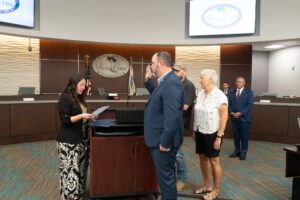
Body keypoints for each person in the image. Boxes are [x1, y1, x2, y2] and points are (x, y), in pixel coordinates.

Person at [144, 51, 185, 200]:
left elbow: (172, 116)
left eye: (153, 63)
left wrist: (165, 142)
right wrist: (148, 82)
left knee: (166, 182)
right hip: (160, 139)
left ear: (160, 63)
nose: (151, 66)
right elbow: (159, 97)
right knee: (165, 180)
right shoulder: (165, 82)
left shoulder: (171, 83)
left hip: (164, 142)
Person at [57, 74, 95, 200]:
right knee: (70, 171)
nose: (84, 88)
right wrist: (82, 116)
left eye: (84, 85)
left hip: (80, 139)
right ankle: (69, 197)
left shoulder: (79, 99)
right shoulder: (65, 98)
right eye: (81, 85)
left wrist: (90, 116)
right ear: (73, 85)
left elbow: (81, 117)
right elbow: (65, 119)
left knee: (80, 169)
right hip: (68, 141)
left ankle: (78, 194)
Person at [193, 69, 228, 200]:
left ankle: (216, 189)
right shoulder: (201, 93)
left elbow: (224, 118)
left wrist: (219, 137)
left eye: (202, 78)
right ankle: (207, 185)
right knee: (202, 158)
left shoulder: (220, 96)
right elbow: (197, 112)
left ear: (210, 80)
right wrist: (194, 130)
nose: (200, 80)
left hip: (213, 132)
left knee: (214, 161)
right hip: (200, 130)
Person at [172, 63, 196, 191]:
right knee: (172, 152)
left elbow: (185, 107)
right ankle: (176, 177)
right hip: (171, 122)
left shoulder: (189, 86)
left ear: (184, 71)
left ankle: (183, 179)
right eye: (174, 71)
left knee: (178, 154)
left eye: (177, 71)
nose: (175, 73)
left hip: (179, 123)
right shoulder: (174, 84)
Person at [228, 76, 254, 160]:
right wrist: (231, 112)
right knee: (236, 136)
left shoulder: (249, 92)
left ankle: (243, 152)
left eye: (240, 81)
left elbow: (250, 105)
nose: (238, 83)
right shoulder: (231, 92)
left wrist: (240, 113)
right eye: (237, 81)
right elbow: (228, 104)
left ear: (244, 83)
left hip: (244, 119)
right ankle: (237, 151)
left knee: (244, 136)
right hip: (234, 118)